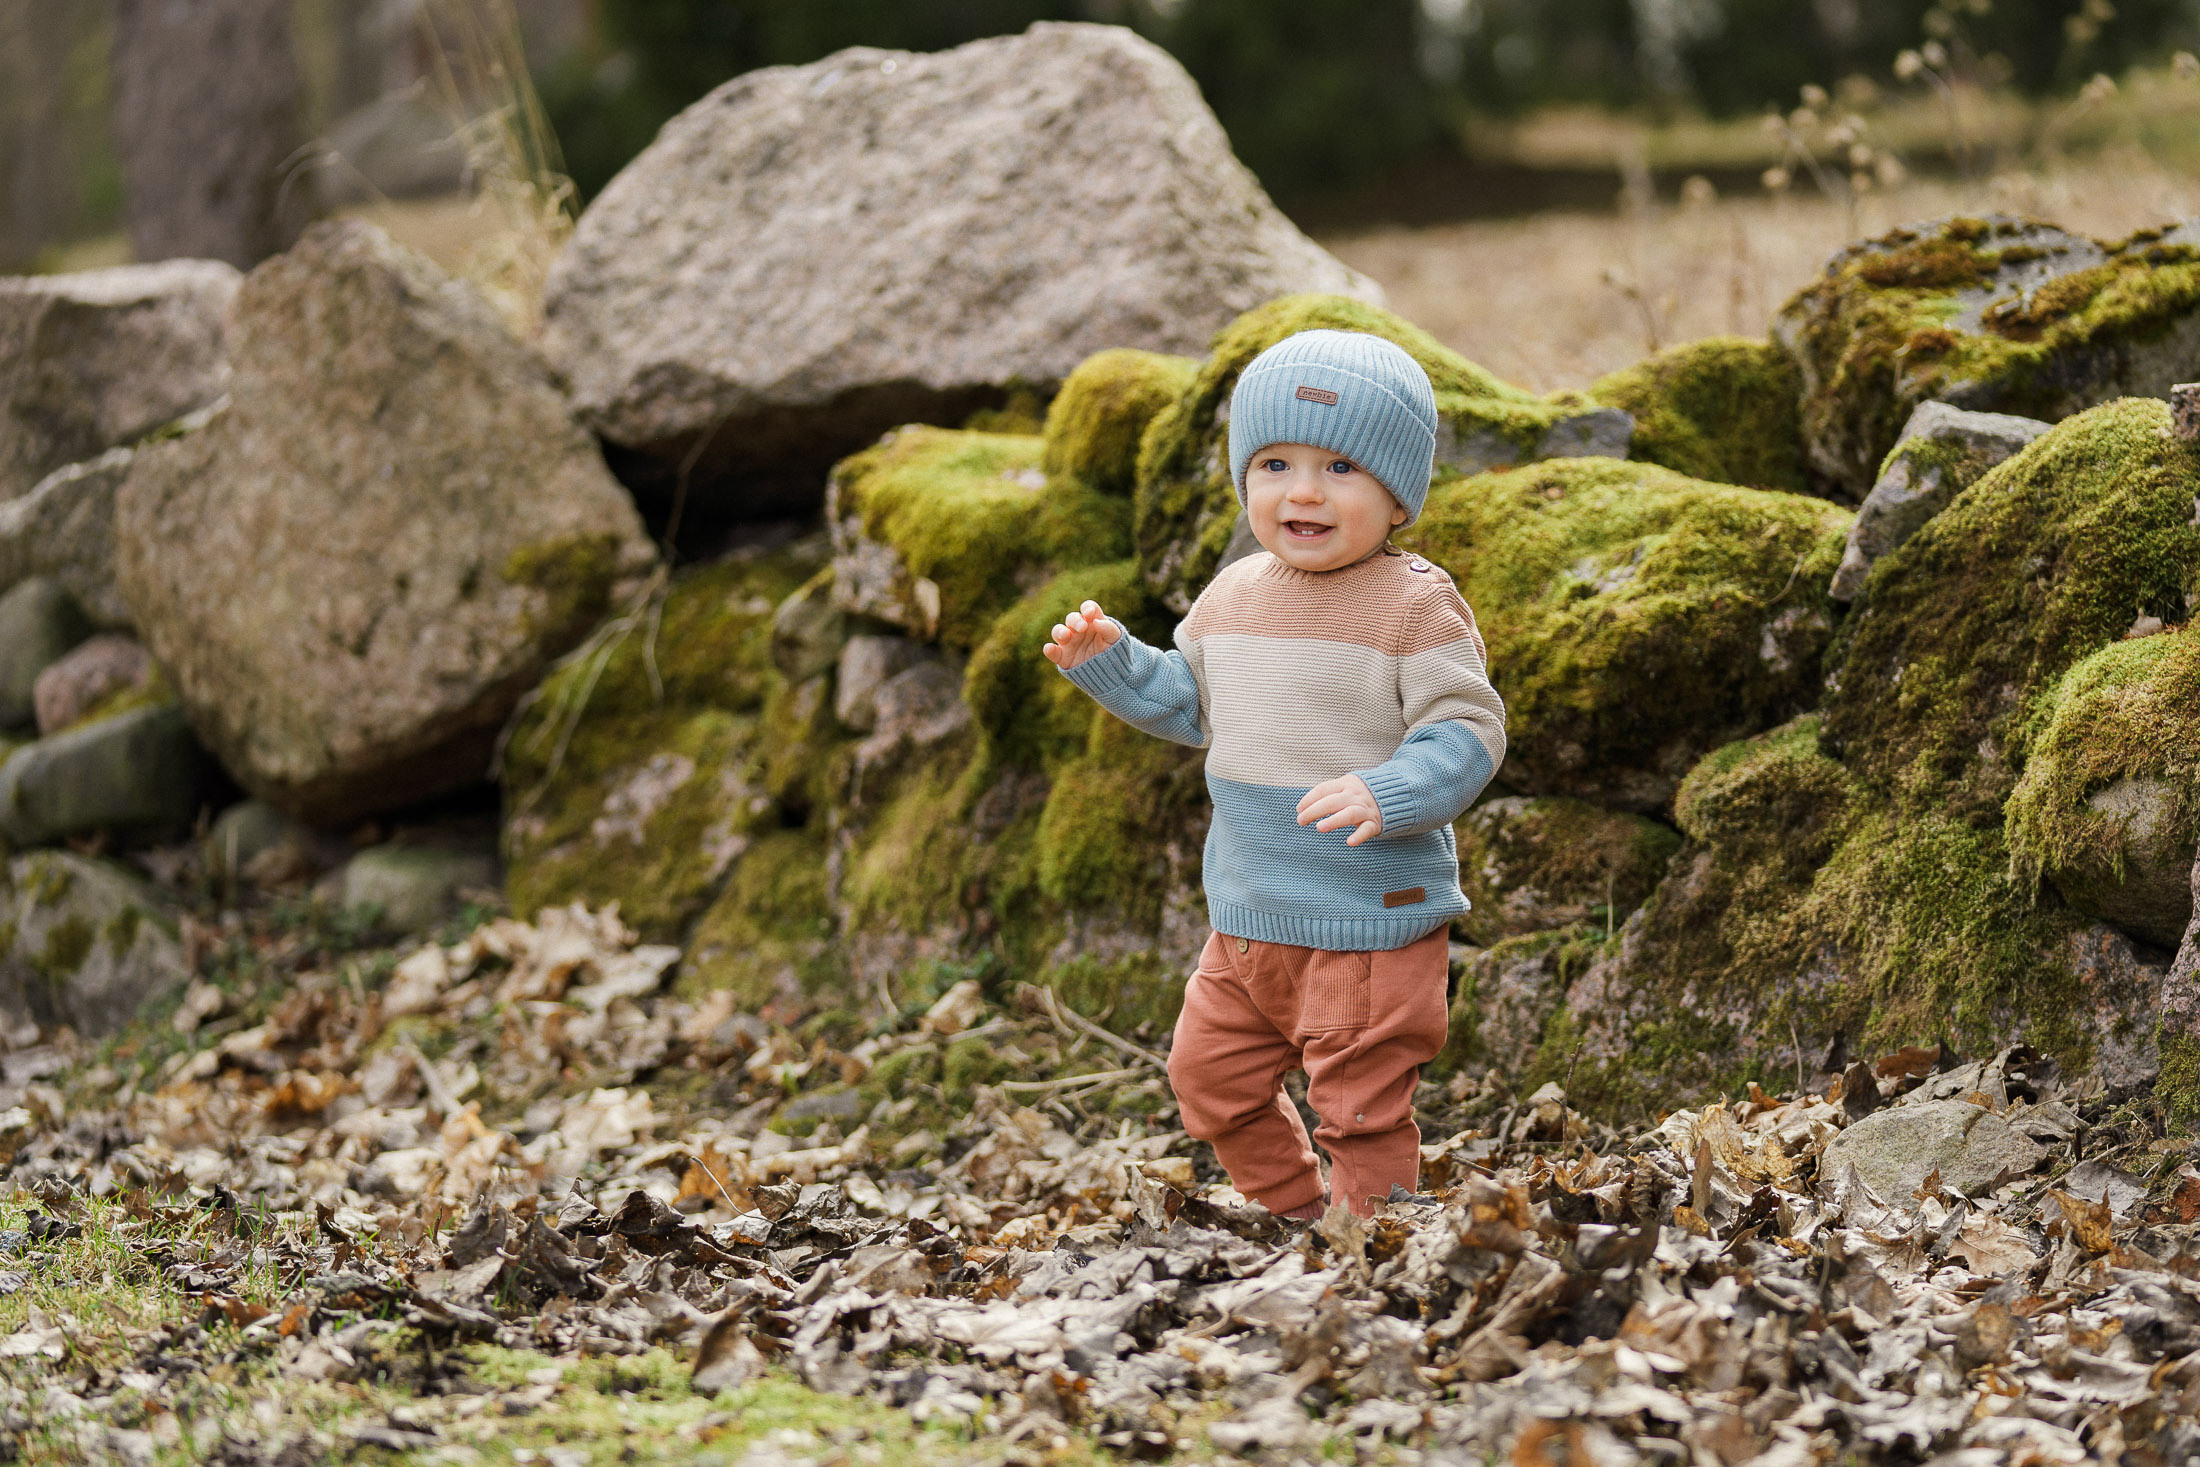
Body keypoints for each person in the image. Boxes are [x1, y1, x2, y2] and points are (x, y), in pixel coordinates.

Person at [1042, 329, 1507, 1219]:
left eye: (1340, 467)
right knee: (1207, 1079)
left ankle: (1370, 1248)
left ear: (1398, 494)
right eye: (1274, 463)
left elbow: (1468, 727)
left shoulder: (1414, 601)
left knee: (1360, 1113)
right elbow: (1194, 703)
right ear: (1243, 477)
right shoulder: (1233, 593)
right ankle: (1296, 1218)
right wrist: (1113, 661)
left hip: (1368, 922)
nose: (1303, 490)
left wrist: (1394, 787)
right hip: (1250, 919)